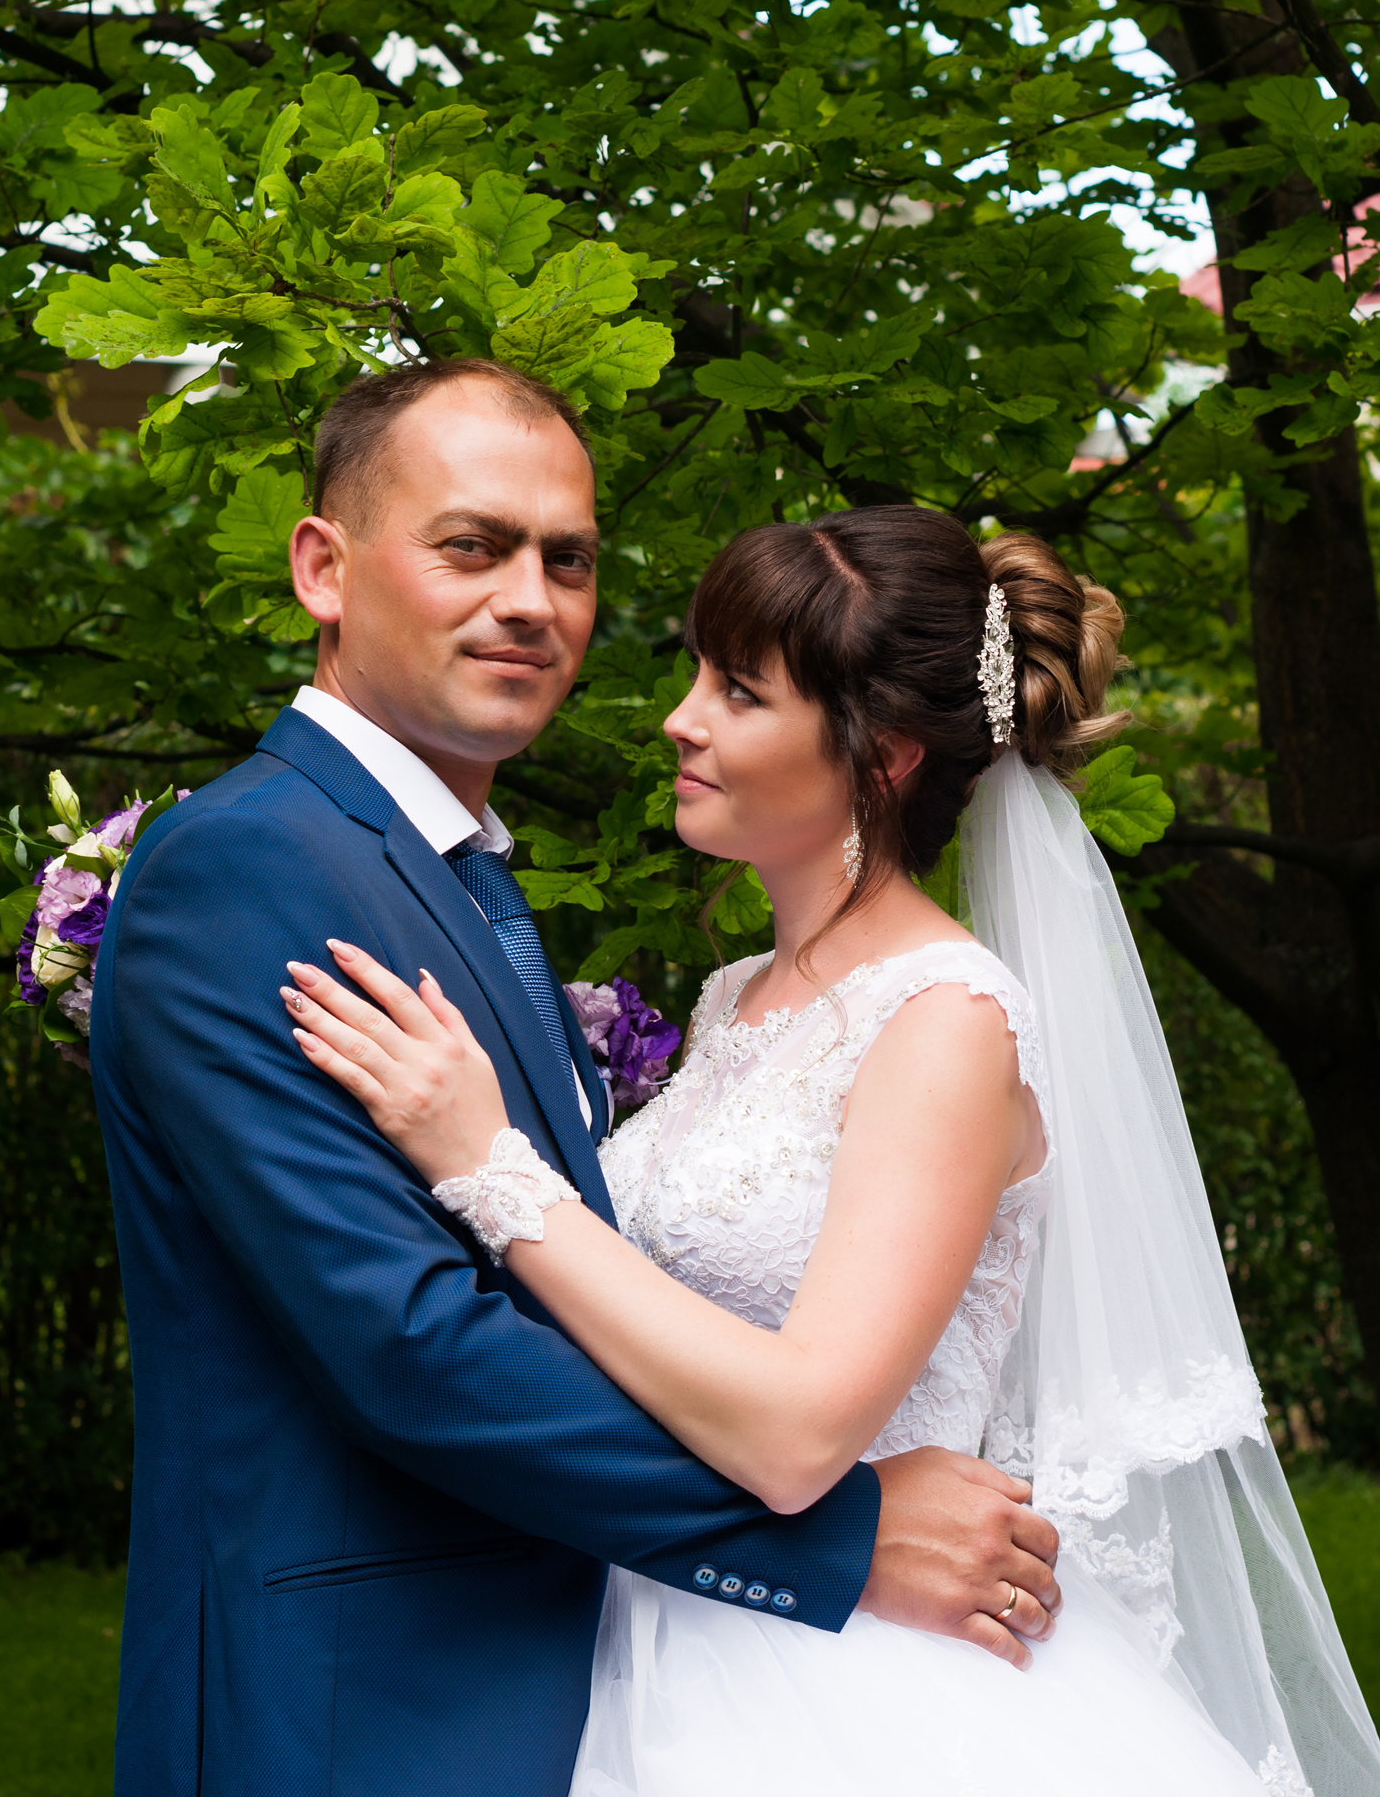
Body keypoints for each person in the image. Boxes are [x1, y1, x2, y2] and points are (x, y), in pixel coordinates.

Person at [284, 501, 1380, 1797]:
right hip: (663, 1611)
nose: (680, 720)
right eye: (699, 673)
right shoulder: (739, 993)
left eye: (739, 691)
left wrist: (491, 1167)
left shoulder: (943, 1024)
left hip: (850, 1679)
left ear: (884, 755)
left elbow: (805, 1428)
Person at [90, 360, 1063, 1797]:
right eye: (470, 546)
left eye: (569, 559)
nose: (532, 600)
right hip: (360, 1702)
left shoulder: (455, 881)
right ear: (323, 566)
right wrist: (839, 1541)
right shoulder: (251, 866)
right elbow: (412, 1344)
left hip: (622, 1676)